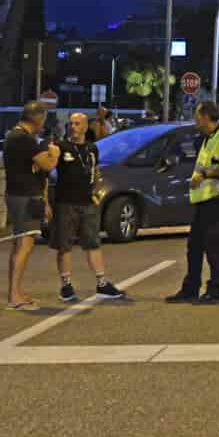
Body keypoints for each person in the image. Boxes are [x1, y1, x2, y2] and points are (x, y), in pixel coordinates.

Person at [166, 101, 219, 305]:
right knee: (194, 248)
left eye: (197, 116)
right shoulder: (208, 139)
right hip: (202, 202)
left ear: (206, 117)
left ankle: (216, 291)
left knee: (214, 249)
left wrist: (205, 173)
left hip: (215, 202)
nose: (196, 120)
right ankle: (190, 289)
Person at [51, 113, 127, 303]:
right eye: (71, 123)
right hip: (66, 202)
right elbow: (49, 167)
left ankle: (102, 283)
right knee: (65, 245)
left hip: (87, 202)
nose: (73, 127)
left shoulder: (92, 149)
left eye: (77, 124)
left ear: (85, 127)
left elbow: (96, 171)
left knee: (92, 243)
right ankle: (66, 285)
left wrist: (96, 192)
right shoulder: (61, 147)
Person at [4, 101, 61, 311]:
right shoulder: (24, 139)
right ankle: (14, 296)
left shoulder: (14, 136)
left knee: (19, 245)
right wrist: (54, 154)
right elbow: (47, 165)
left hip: (18, 194)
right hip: (25, 196)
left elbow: (35, 166)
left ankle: (16, 292)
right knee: (25, 246)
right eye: (43, 120)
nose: (43, 124)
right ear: (37, 119)